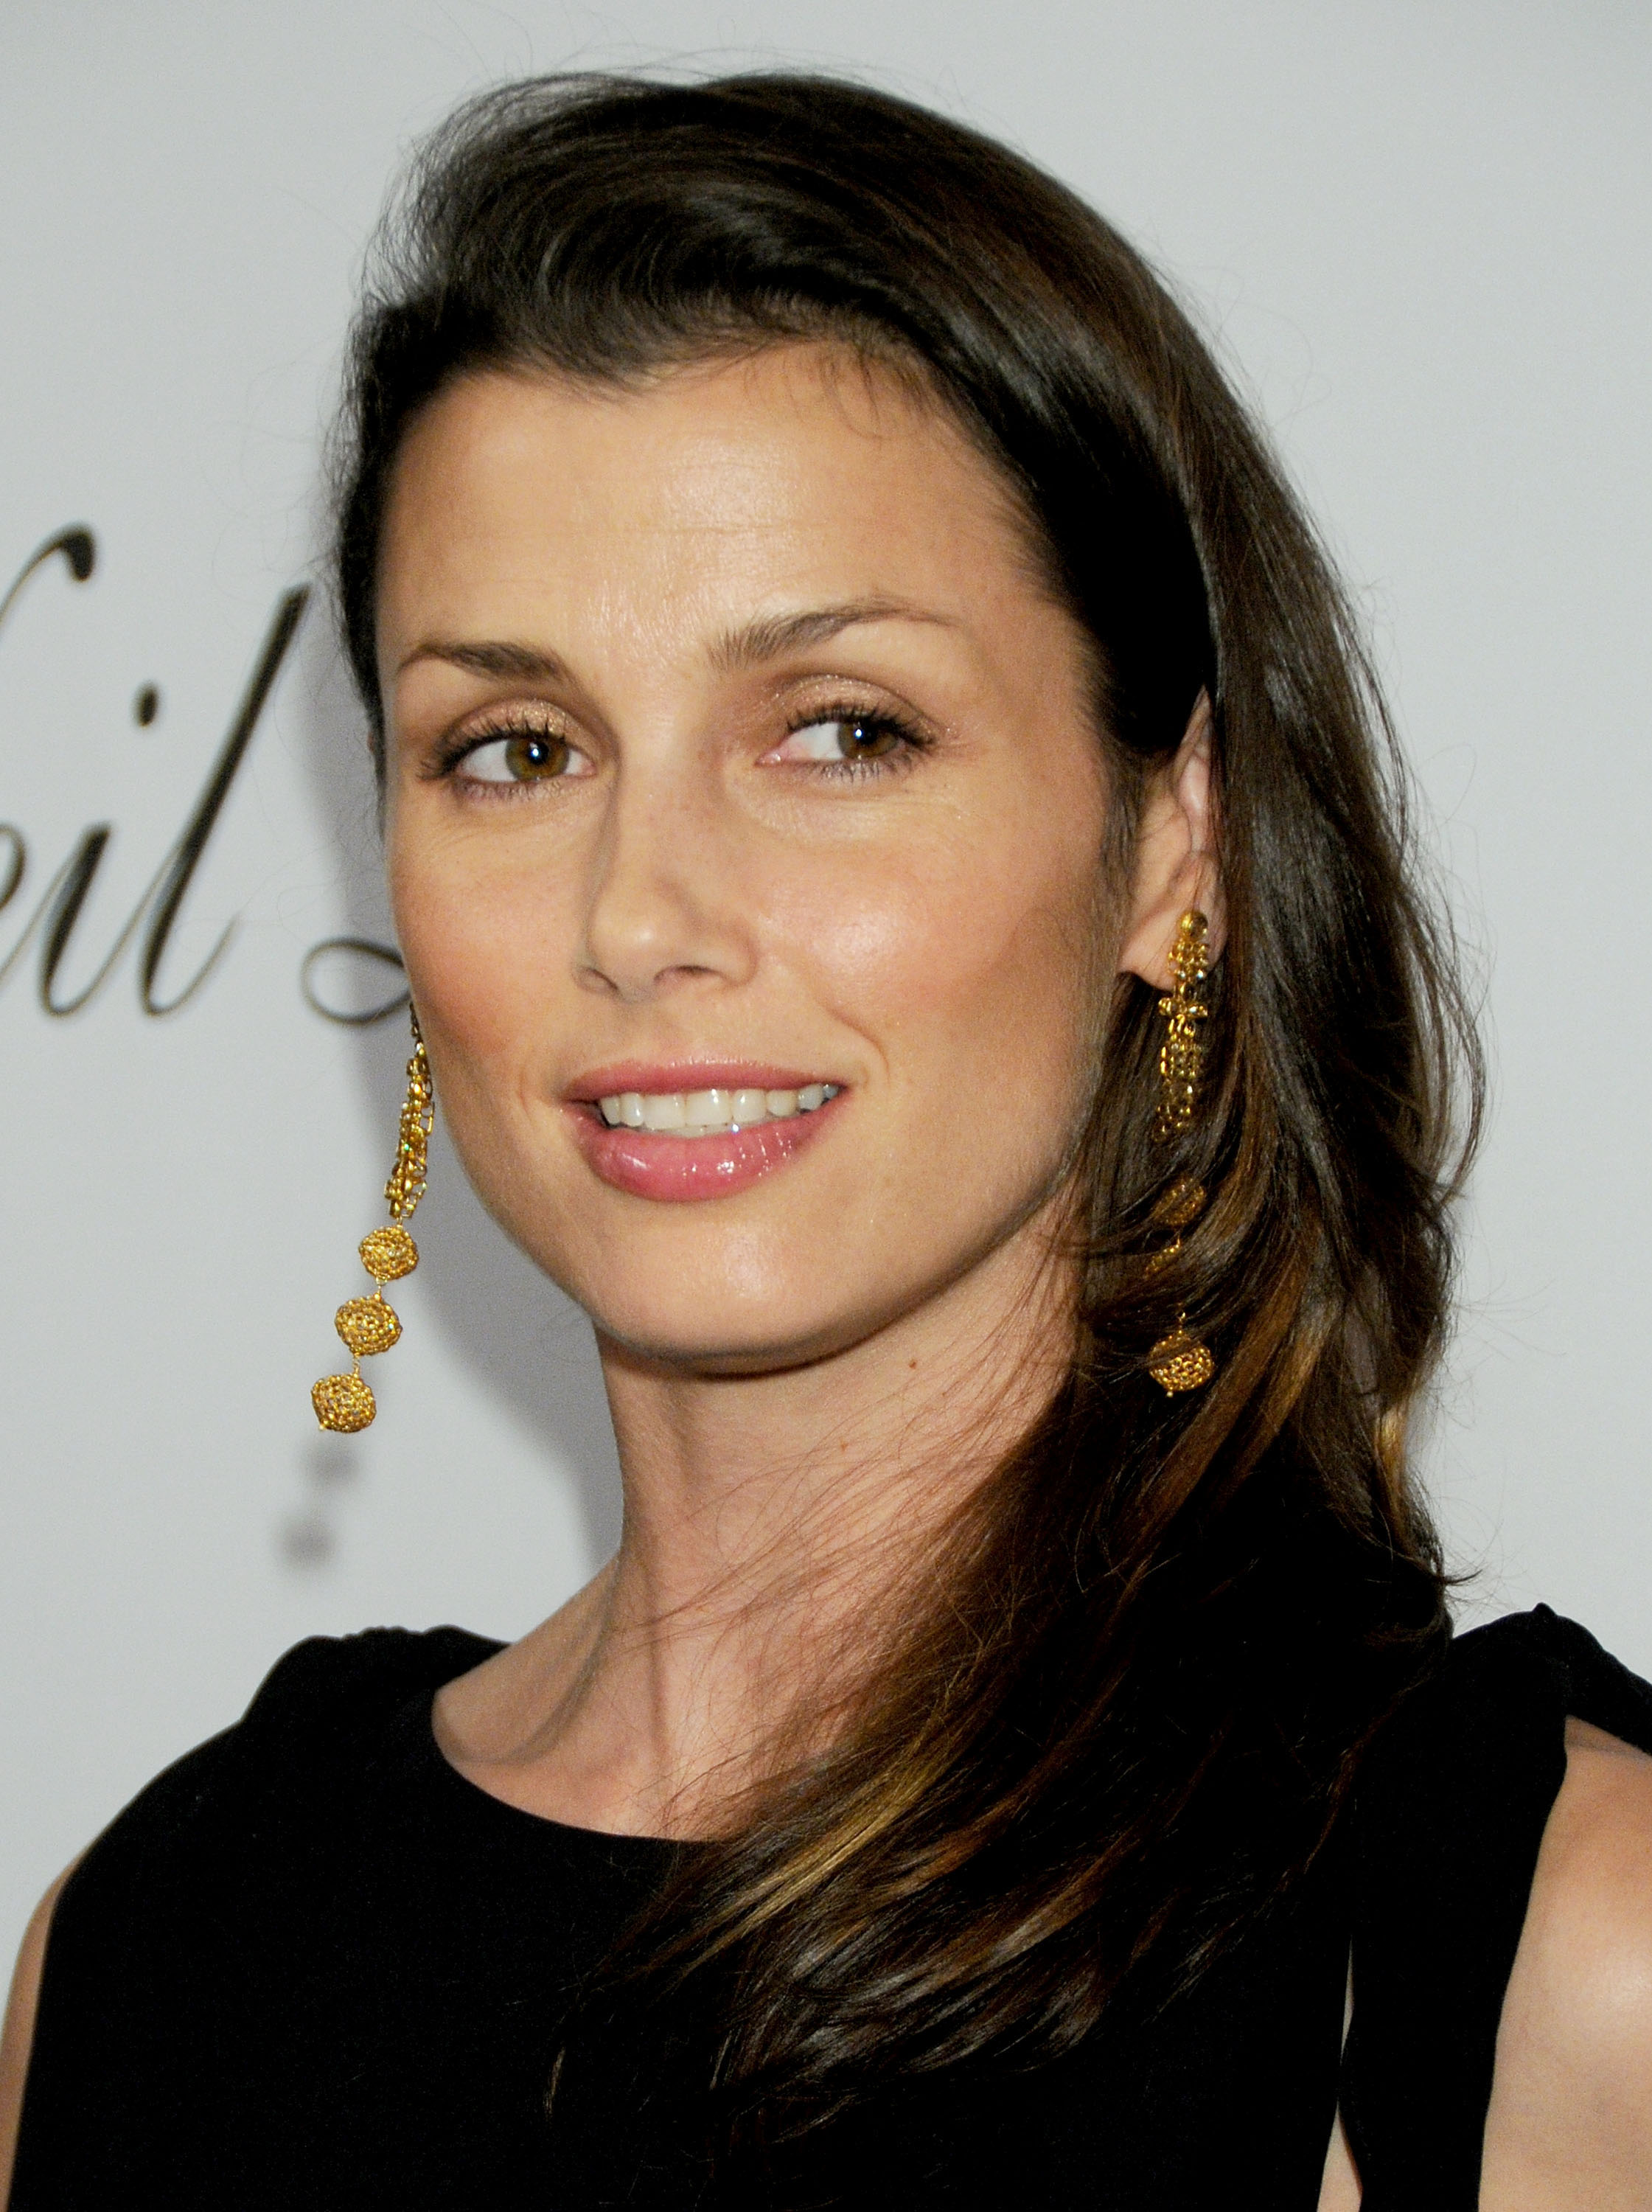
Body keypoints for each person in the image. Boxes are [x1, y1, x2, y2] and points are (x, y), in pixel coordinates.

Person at [3, 71, 1650, 2212]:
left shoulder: (1534, 1950)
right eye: (515, 750)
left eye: (842, 732)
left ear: (1176, 843)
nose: (639, 915)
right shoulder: (164, 1931)